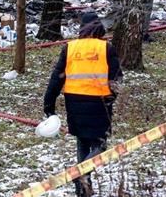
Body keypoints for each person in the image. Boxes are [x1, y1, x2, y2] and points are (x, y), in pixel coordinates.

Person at [44, 12, 122, 197]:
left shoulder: (70, 48)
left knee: (82, 141)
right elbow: (116, 79)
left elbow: (56, 78)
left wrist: (49, 105)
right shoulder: (106, 48)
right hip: (99, 102)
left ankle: (83, 190)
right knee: (100, 145)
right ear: (99, 27)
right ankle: (81, 175)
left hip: (74, 101)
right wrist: (111, 98)